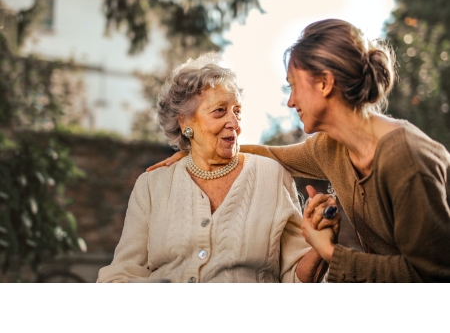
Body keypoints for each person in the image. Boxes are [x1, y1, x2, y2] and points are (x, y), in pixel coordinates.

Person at [149, 19, 450, 283]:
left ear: (324, 83)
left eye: (293, 85)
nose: (291, 102)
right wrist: (201, 152)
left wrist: (329, 251)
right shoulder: (331, 147)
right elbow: (274, 155)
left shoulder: (405, 159)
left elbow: (432, 275)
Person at [98, 52, 339, 283]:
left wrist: (319, 248)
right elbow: (124, 272)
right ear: (185, 121)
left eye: (238, 111)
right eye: (220, 111)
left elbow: (296, 279)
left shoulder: (273, 177)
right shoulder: (152, 185)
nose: (234, 123)